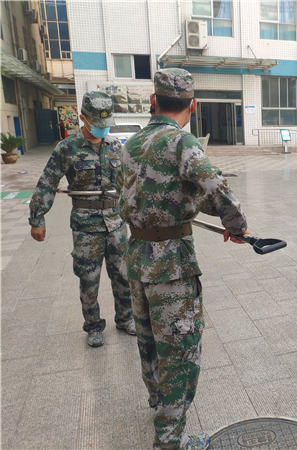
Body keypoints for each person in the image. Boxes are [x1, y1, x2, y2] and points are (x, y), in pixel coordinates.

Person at [119, 68, 249, 450]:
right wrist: (236, 224)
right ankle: (170, 439)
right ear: (193, 106)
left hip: (137, 257)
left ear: (153, 101)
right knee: (180, 350)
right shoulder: (181, 141)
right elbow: (216, 187)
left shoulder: (131, 144)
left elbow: (144, 192)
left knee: (148, 342)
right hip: (171, 264)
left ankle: (158, 406)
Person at [29, 92, 134, 348]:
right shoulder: (67, 148)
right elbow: (47, 182)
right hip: (86, 227)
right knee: (89, 278)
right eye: (97, 122)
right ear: (83, 118)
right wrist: (37, 218)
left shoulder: (116, 146)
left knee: (123, 275)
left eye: (105, 122)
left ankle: (126, 317)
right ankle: (94, 326)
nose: (102, 127)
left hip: (116, 223)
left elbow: (129, 184)